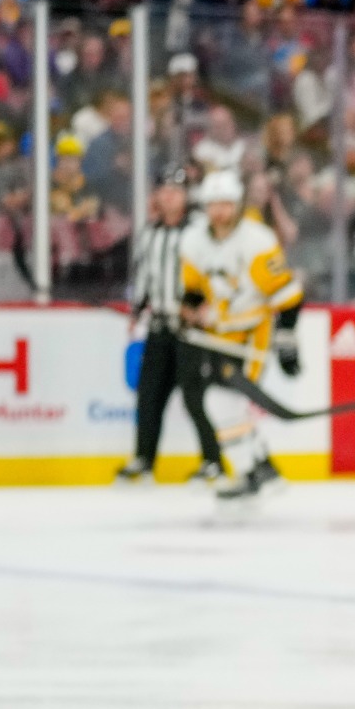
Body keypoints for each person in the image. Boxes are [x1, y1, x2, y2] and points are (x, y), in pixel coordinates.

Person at [177, 169, 304, 502]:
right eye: (213, 204)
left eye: (226, 204)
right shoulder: (193, 240)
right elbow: (194, 290)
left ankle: (252, 471)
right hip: (218, 334)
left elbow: (289, 297)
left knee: (222, 402)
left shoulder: (257, 240)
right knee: (224, 405)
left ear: (237, 204)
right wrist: (189, 313)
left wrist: (286, 340)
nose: (219, 211)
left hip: (251, 335)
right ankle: (261, 468)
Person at [116, 165, 224, 485]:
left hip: (191, 330)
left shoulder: (200, 230)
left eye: (176, 191)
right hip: (159, 325)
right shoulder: (149, 233)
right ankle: (144, 459)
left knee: (195, 397)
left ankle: (213, 461)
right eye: (164, 190)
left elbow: (213, 271)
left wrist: (204, 307)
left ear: (186, 195)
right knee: (149, 395)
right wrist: (136, 311)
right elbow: (144, 276)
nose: (169, 197)